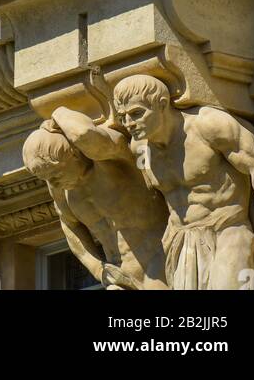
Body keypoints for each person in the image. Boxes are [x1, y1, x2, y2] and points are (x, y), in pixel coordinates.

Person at [114, 74, 254, 290]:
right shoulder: (140, 149)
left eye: (137, 113)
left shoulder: (208, 125)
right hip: (181, 243)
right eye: (122, 117)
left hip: (228, 230)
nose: (129, 124)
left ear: (162, 105)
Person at [23, 109, 168, 289]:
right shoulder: (60, 188)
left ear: (74, 153)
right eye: (46, 178)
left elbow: (84, 133)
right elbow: (70, 226)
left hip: (160, 264)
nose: (52, 182)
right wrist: (98, 269)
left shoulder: (113, 160)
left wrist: (57, 112)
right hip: (120, 278)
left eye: (55, 174)